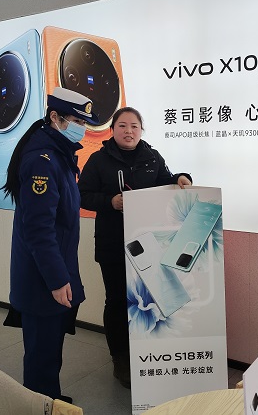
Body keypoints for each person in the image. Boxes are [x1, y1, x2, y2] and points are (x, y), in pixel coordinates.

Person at [77, 107, 192, 388]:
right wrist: (109, 202)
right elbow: (82, 195)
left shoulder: (152, 157)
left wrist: (180, 177)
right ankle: (120, 358)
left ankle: (150, 352)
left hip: (148, 244)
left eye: (134, 126)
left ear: (141, 130)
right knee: (117, 301)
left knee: (151, 297)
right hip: (112, 243)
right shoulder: (98, 159)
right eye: (123, 126)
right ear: (112, 129)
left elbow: (165, 182)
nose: (129, 131)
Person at [1, 87, 98, 403]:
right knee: (42, 355)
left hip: (54, 270)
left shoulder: (59, 154)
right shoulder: (42, 161)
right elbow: (39, 229)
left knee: (50, 349)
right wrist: (57, 280)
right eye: (76, 121)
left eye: (84, 123)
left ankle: (49, 401)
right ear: (55, 117)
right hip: (42, 278)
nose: (81, 128)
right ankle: (40, 404)